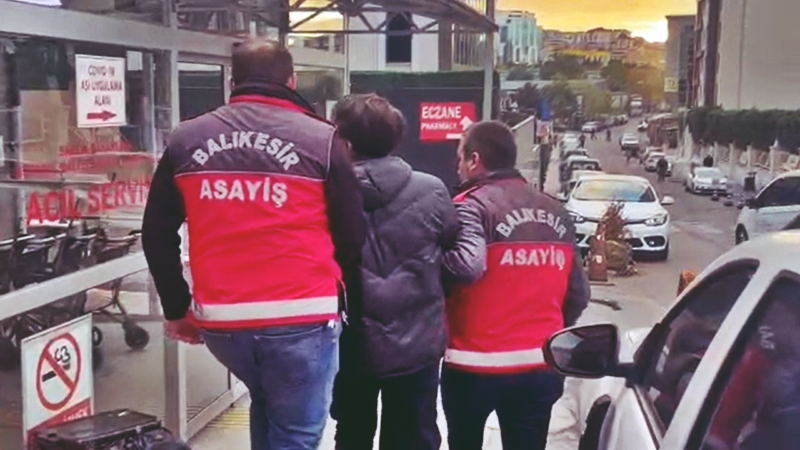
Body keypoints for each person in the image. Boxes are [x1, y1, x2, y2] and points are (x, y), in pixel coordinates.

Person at [141, 39, 366, 450]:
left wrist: (177, 307)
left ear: (233, 82)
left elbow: (156, 233)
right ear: (291, 81)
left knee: (266, 403)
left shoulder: (186, 139)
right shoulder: (322, 139)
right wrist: (343, 295)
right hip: (302, 318)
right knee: (296, 433)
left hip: (223, 324)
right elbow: (352, 235)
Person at [441, 121, 591, 450]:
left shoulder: (469, 207)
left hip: (473, 365)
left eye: (460, 157)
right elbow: (579, 294)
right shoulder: (557, 211)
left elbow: (465, 268)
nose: (457, 167)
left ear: (475, 160)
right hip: (539, 365)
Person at [328, 93, 459, 450]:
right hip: (417, 344)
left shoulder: (325, 193)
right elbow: (453, 248)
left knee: (351, 435)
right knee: (412, 437)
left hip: (350, 346)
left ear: (346, 143)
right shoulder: (433, 191)